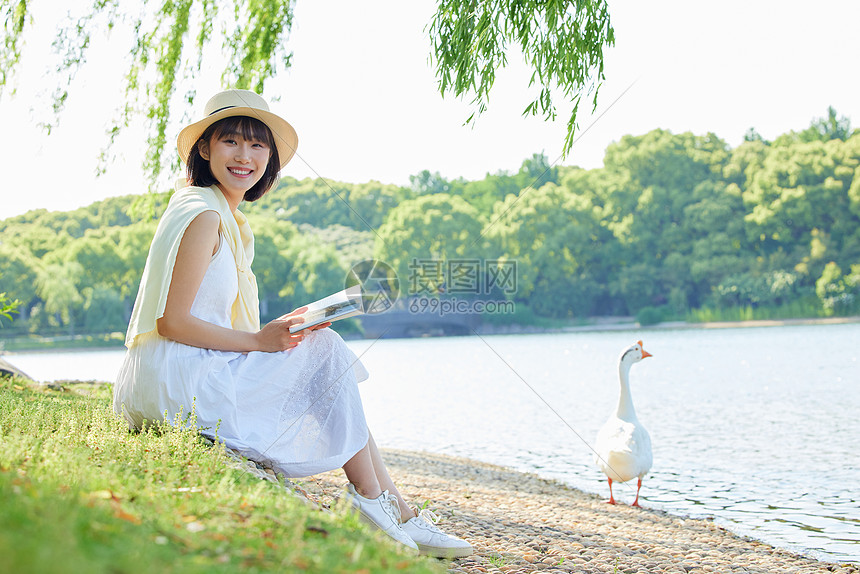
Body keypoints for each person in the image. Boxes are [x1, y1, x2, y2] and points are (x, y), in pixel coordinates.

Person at [113, 89, 472, 558]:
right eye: (231, 142)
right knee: (328, 354)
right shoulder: (204, 214)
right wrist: (260, 342)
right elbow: (173, 322)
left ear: (270, 156)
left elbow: (203, 317)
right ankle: (373, 502)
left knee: (324, 353)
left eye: (258, 145)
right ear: (205, 149)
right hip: (176, 382)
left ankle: (393, 507)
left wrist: (279, 330)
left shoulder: (219, 213)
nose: (245, 156)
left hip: (177, 373)